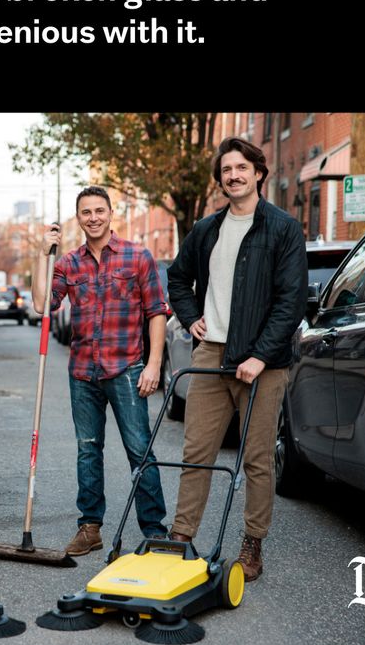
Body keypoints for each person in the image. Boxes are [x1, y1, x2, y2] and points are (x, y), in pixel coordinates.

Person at [167, 137, 307, 580]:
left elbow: (291, 301)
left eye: (241, 167)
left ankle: (252, 545)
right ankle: (181, 537)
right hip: (211, 354)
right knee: (197, 452)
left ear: (258, 173)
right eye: (227, 170)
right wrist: (191, 317)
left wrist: (261, 357)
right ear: (221, 179)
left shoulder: (283, 228)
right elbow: (177, 278)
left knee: (257, 458)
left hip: (263, 363)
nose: (234, 175)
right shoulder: (207, 229)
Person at [33, 186, 169, 556]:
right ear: (78, 217)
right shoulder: (68, 263)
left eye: (99, 210)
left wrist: (154, 364)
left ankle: (155, 529)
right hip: (82, 372)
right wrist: (42, 253)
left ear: (111, 213)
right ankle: (89, 527)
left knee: (140, 450)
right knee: (88, 450)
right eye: (85, 212)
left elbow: (157, 311)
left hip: (126, 368)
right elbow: (41, 303)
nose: (93, 217)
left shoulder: (137, 256)